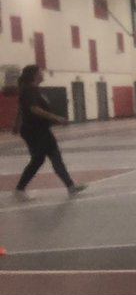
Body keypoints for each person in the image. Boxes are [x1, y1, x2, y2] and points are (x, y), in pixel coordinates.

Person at [13, 65, 86, 201]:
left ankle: (70, 186)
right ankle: (19, 189)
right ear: (35, 75)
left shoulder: (32, 91)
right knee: (39, 159)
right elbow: (34, 109)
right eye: (40, 72)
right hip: (34, 131)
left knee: (51, 156)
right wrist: (56, 118)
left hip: (40, 130)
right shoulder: (30, 91)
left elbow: (21, 109)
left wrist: (16, 124)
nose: (43, 73)